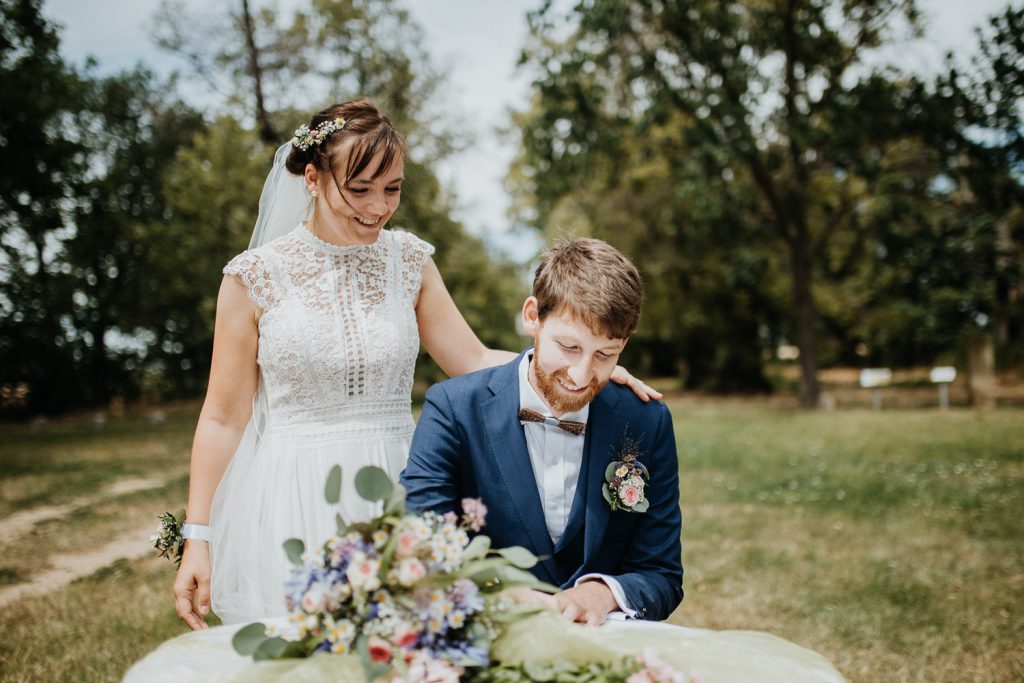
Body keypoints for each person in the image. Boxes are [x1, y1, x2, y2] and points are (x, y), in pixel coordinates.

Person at [171, 100, 660, 631]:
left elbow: (472, 360)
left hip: (404, 482)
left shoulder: (408, 261)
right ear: (312, 178)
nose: (378, 207)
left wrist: (578, 369)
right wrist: (199, 536)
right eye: (359, 189)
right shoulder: (253, 278)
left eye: (393, 188)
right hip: (292, 493)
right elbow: (222, 419)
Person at [398, 237, 847, 680]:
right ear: (532, 316)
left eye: (605, 355)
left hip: (605, 644)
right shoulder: (454, 408)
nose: (581, 375)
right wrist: (507, 596)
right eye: (569, 347)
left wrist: (602, 594)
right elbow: (423, 546)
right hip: (487, 637)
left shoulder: (644, 423)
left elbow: (661, 573)